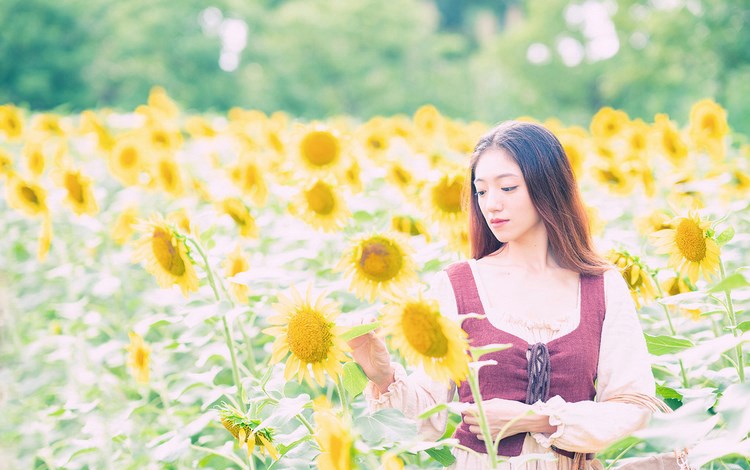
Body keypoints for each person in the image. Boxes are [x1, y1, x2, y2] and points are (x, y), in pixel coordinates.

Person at [349, 121, 658, 469]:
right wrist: (382, 376)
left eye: (508, 188)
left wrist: (536, 419)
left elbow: (633, 405)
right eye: (481, 192)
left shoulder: (602, 286)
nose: (491, 204)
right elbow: (424, 421)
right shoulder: (457, 285)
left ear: (548, 186)